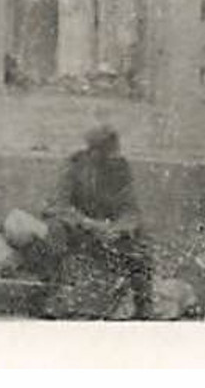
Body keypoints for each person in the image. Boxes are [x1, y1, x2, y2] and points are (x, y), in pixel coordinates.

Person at [43, 124, 153, 318]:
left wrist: (119, 227)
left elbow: (130, 208)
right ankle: (53, 296)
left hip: (109, 231)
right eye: (105, 152)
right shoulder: (74, 165)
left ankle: (143, 304)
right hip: (79, 230)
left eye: (113, 151)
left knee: (141, 240)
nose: (111, 157)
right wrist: (89, 224)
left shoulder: (121, 169)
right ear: (92, 152)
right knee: (55, 229)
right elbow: (58, 205)